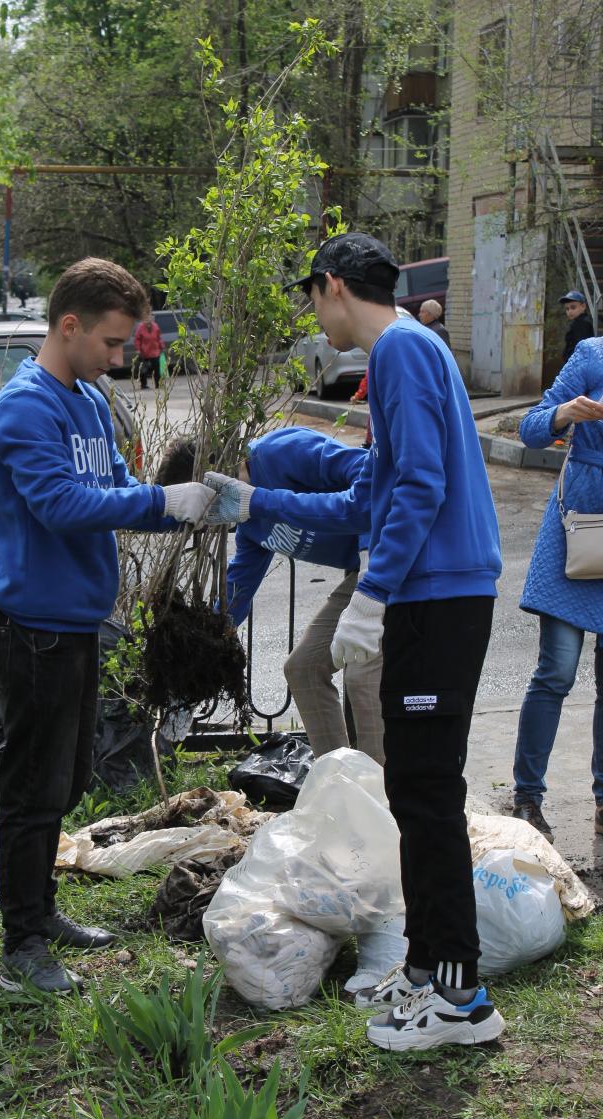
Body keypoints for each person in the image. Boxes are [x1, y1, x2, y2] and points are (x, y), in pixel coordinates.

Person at [203, 232, 505, 1052]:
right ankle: (425, 968)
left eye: (311, 299)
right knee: (410, 788)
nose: (314, 317)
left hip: (436, 597)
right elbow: (368, 500)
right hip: (431, 593)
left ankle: (462, 1000)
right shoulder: (410, 353)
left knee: (427, 796)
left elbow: (419, 489)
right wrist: (258, 504)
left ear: (333, 286)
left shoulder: (402, 349)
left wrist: (372, 593)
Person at [0, 257, 214, 994]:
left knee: (70, 777)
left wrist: (162, 491)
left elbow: (111, 488)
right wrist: (158, 506)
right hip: (33, 628)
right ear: (70, 326)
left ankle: (41, 912)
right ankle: (22, 945)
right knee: (33, 789)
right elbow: (60, 505)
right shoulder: (24, 408)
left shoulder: (86, 399)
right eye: (112, 344)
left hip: (76, 622)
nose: (120, 358)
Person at [154, 429, 384, 763]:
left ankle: (384, 799)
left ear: (212, 482)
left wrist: (367, 561)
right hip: (361, 578)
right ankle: (339, 783)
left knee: (361, 676)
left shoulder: (280, 452)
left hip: (393, 562)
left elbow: (370, 474)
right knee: (303, 669)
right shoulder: (251, 526)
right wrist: (192, 669)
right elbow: (235, 596)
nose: (203, 524)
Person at [511, 337, 603, 844]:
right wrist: (567, 412)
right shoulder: (592, 354)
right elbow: (530, 430)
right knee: (557, 671)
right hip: (579, 534)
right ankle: (527, 797)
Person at [559, 290, 594, 364]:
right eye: (567, 309)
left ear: (583, 306)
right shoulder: (582, 322)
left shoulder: (581, 323)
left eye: (573, 307)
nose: (570, 311)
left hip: (577, 366)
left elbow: (581, 349)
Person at [134, 314, 165, 388]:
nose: (149, 320)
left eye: (151, 319)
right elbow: (137, 339)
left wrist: (161, 346)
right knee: (143, 370)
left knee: (156, 369)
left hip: (155, 352)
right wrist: (138, 349)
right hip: (144, 353)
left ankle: (158, 384)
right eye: (147, 319)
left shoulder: (155, 326)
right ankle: (144, 385)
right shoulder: (141, 327)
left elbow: (159, 338)